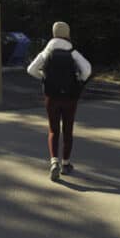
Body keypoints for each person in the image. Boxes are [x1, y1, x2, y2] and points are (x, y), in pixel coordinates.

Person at [27, 21, 92, 182]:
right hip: (70, 96)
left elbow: (31, 69)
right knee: (68, 130)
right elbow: (87, 69)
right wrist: (79, 81)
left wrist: (44, 76)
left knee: (53, 130)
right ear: (67, 34)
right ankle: (66, 163)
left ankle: (54, 161)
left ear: (54, 33)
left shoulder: (47, 51)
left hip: (52, 97)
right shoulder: (72, 52)